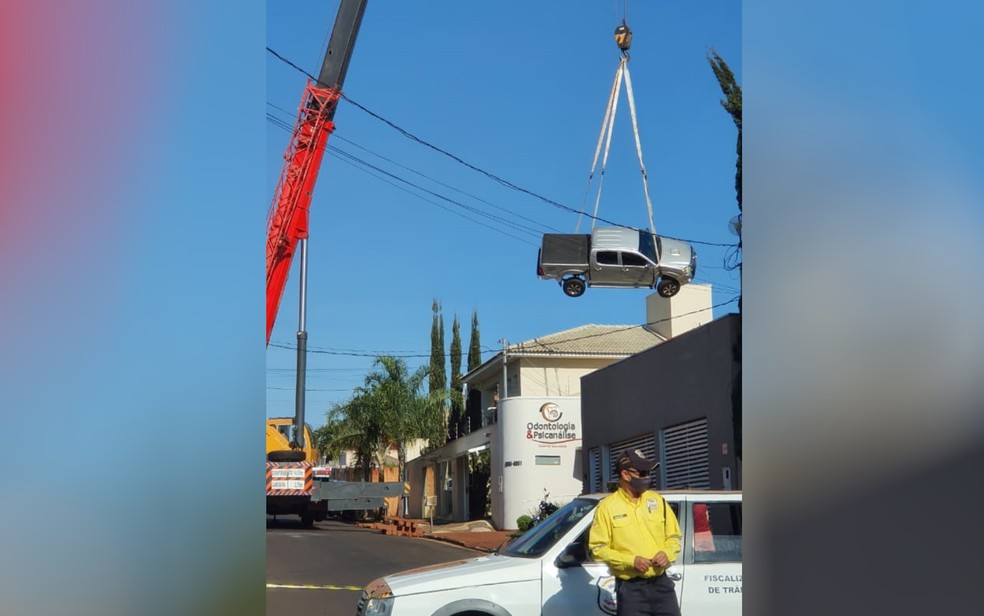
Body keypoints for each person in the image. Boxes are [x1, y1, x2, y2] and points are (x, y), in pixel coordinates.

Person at [588, 449, 682, 616]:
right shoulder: (607, 507)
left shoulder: (658, 501)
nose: (647, 477)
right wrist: (631, 561)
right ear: (625, 474)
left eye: (649, 472)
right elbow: (598, 548)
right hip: (631, 590)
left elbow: (674, 537)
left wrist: (666, 553)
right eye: (643, 472)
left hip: (662, 585)